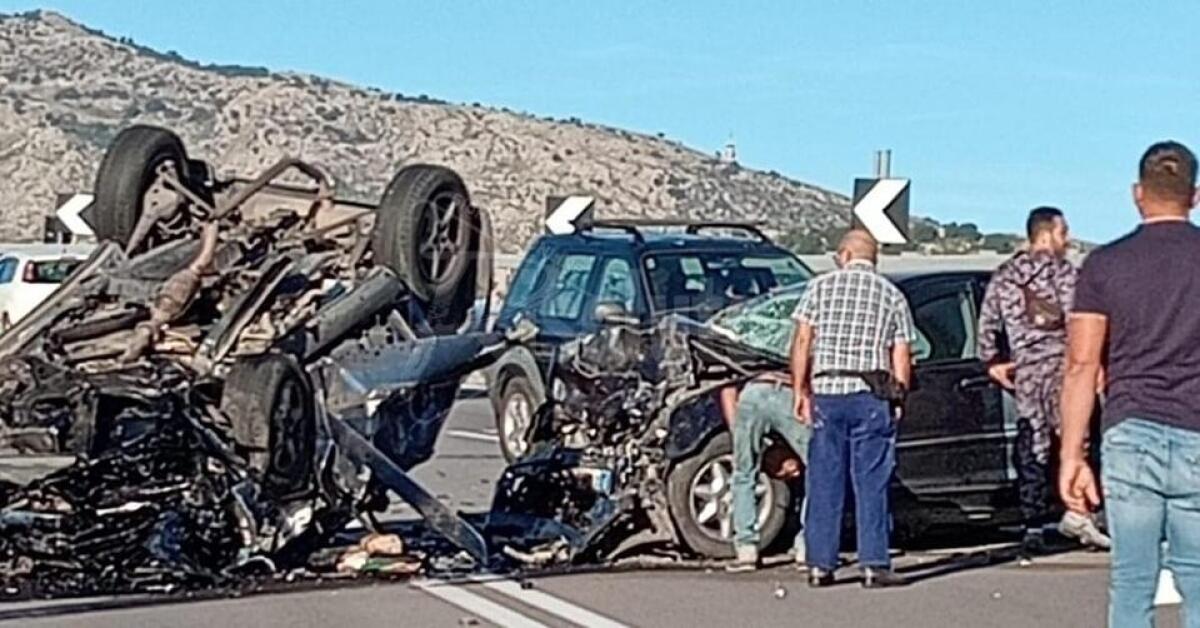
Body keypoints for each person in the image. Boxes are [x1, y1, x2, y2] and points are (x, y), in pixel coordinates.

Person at [1059, 141, 1200, 628]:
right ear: (1195, 196)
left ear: (1137, 194)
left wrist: (1072, 455)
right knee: (1199, 577)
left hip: (1131, 427)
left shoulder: (1103, 265)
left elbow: (1081, 364)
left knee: (1133, 579)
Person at [977, 207, 1110, 558]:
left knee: (1032, 445)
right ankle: (1082, 512)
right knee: (1077, 440)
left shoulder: (1005, 276)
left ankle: (1032, 521)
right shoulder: (1067, 274)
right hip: (1067, 369)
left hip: (1027, 372)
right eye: (1064, 233)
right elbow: (1085, 322)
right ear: (1048, 234)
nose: (1068, 240)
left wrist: (993, 362)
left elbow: (987, 325)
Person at [791, 229, 914, 589]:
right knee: (871, 481)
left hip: (828, 390)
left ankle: (820, 564)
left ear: (845, 254)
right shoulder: (891, 294)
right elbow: (901, 353)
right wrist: (899, 397)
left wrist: (801, 389)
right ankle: (874, 564)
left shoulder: (819, 287)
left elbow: (802, 340)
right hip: (870, 395)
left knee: (824, 480)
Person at [723, 372, 810, 573]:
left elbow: (727, 386)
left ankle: (746, 550)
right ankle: (807, 547)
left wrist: (738, 437)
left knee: (744, 472)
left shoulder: (746, 341)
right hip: (790, 390)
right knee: (817, 471)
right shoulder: (799, 339)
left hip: (752, 392)